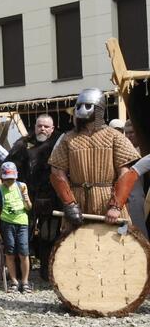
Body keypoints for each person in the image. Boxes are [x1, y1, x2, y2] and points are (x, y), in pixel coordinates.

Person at [49, 88, 140, 226]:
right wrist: (70, 204)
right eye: (78, 106)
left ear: (99, 109)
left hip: (108, 200)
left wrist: (116, 205)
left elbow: (125, 172)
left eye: (87, 105)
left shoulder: (115, 136)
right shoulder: (68, 138)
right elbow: (56, 172)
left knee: (115, 245)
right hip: (77, 201)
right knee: (73, 246)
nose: (81, 110)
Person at [6, 114, 62, 280]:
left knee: (48, 236)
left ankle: (47, 272)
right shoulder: (23, 143)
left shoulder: (60, 143)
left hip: (51, 198)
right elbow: (10, 167)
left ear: (52, 129)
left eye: (46, 126)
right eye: (40, 126)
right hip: (25, 197)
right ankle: (19, 274)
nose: (42, 129)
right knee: (22, 235)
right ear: (35, 126)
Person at [0, 162, 33, 293]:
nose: (9, 180)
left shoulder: (22, 186)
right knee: (9, 252)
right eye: (7, 178)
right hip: (7, 223)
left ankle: (25, 281)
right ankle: (14, 281)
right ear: (2, 177)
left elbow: (29, 208)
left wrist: (26, 199)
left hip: (22, 222)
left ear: (16, 176)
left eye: (12, 178)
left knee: (24, 252)